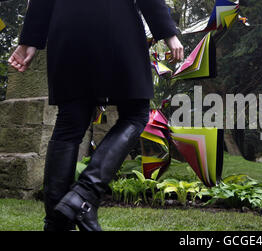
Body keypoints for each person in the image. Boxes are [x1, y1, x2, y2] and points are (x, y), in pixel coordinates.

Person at [8, 0, 184, 231]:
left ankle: (56, 222)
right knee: (136, 114)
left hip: (67, 30)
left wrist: (30, 40)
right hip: (115, 25)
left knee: (70, 122)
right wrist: (168, 32)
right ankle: (84, 195)